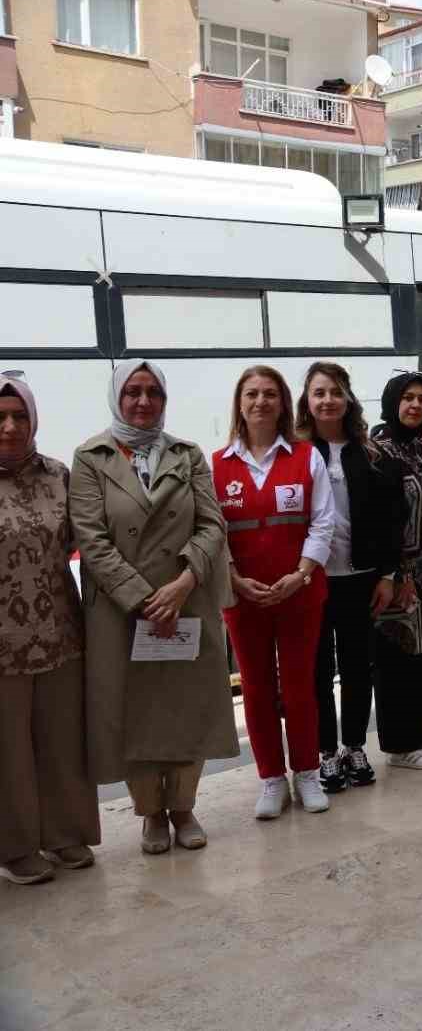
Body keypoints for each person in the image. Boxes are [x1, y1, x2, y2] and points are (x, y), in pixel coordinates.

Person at [72, 361, 236, 857]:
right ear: (116, 397)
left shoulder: (188, 455)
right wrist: (144, 598)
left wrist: (183, 583)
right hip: (124, 611)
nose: (143, 402)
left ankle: (184, 808)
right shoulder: (90, 456)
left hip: (185, 600)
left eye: (154, 393)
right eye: (133, 392)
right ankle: (150, 815)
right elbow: (91, 538)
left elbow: (212, 525)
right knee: (134, 712)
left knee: (186, 707)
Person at [214, 366, 335, 818]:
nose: (261, 402)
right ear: (239, 404)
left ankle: (307, 772)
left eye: (270, 394)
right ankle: (270, 779)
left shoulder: (307, 457)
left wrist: (300, 574)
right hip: (243, 598)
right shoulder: (217, 464)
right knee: (257, 689)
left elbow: (324, 522)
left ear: (283, 403)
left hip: (299, 592)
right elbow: (214, 531)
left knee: (301, 686)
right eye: (252, 394)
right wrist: (234, 579)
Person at [0, 377, 100, 885]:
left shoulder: (58, 476)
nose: (10, 427)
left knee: (63, 739)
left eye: (20, 416)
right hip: (2, 646)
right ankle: (15, 846)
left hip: (60, 631)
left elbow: (93, 542)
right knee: (8, 750)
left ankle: (65, 832)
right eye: (1, 418)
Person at [298, 363, 400, 794]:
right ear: (307, 400)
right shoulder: (296, 453)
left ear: (348, 399)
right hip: (313, 580)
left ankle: (355, 745)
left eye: (335, 392)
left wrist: (388, 575)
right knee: (317, 670)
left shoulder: (372, 454)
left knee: (359, 666)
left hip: (361, 577)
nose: (327, 400)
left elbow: (389, 519)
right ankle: (326, 753)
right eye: (318, 392)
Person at [369, 373, 422, 772]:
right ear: (392, 402)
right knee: (397, 655)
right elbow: (380, 521)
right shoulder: (380, 452)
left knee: (421, 655)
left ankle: (414, 733)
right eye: (407, 399)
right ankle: (400, 745)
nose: (416, 405)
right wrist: (395, 574)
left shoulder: (414, 448)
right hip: (399, 574)